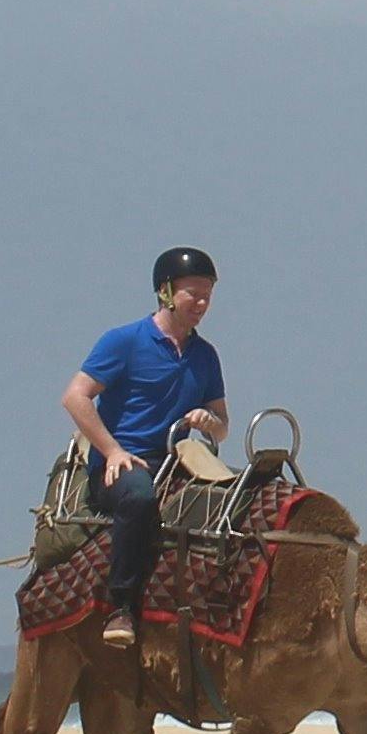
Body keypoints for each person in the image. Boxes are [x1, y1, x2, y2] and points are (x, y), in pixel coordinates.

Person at [64, 248, 230, 648]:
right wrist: (112, 451)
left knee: (236, 501)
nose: (202, 304)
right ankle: (121, 607)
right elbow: (75, 397)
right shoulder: (124, 341)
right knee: (139, 497)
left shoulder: (205, 356)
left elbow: (223, 427)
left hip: (175, 462)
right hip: (122, 463)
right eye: (194, 294)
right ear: (166, 291)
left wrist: (209, 422)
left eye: (208, 295)